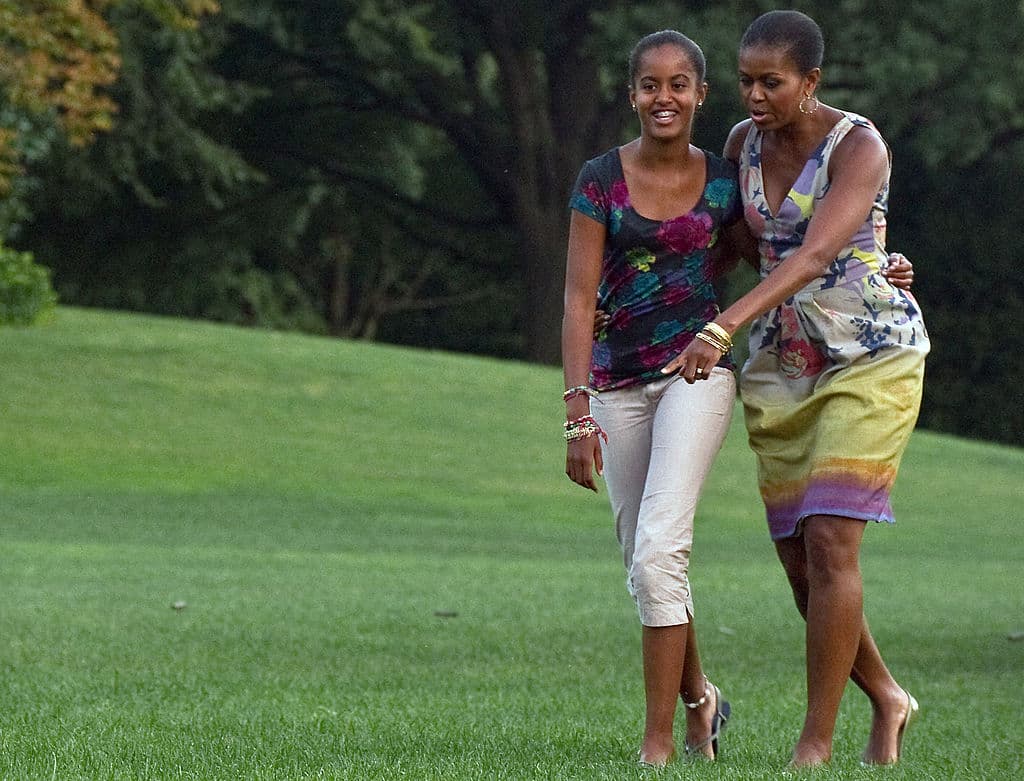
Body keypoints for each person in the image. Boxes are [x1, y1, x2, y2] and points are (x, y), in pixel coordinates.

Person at [666, 9, 930, 769]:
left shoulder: (860, 144)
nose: (753, 95)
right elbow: (749, 242)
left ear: (809, 82)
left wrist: (720, 328)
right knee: (797, 560)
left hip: (869, 355)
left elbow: (816, 253)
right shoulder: (743, 145)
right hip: (784, 364)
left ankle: (814, 742)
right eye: (746, 80)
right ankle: (886, 693)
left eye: (770, 82)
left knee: (830, 535)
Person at [561, 30, 740, 768]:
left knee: (662, 549)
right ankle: (703, 699)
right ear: (632, 94)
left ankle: (659, 742)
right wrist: (575, 412)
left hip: (696, 376)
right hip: (615, 384)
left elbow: (787, 259)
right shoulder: (600, 179)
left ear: (700, 93)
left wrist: (879, 266)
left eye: (678, 85)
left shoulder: (728, 182)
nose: (662, 98)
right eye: (648, 85)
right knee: (645, 561)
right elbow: (577, 298)